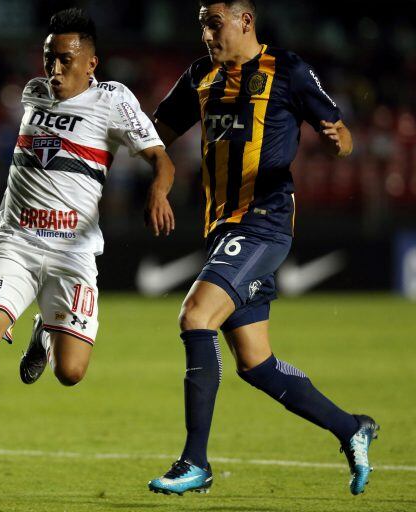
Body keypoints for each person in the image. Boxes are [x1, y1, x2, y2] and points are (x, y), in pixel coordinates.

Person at [0, 7, 176, 473]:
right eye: (48, 58)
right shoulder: (33, 93)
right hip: (14, 241)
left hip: (73, 253)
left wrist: (158, 190)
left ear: (92, 63)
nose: (53, 70)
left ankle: (43, 328)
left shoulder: (114, 101)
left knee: (71, 372)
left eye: (65, 60)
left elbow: (162, 159)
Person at [147, 0, 378, 496]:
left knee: (194, 316)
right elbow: (155, 135)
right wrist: (156, 177)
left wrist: (339, 142)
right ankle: (350, 428)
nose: (207, 34)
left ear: (244, 20)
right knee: (256, 363)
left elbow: (343, 137)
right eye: (202, 24)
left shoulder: (287, 70)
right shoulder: (200, 76)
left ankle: (194, 462)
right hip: (221, 228)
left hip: (264, 223)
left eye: (214, 23)